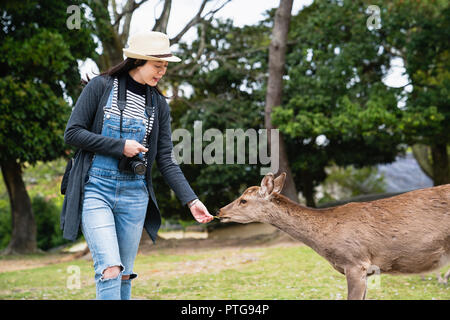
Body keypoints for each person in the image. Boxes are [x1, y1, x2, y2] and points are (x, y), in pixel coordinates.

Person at [61, 31, 214, 300]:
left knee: (124, 274)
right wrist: (120, 146)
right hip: (96, 187)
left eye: (165, 66)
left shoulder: (158, 105)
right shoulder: (100, 87)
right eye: (158, 66)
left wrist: (192, 201)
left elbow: (165, 158)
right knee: (110, 267)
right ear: (137, 62)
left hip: (135, 194)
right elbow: (72, 133)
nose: (162, 72)